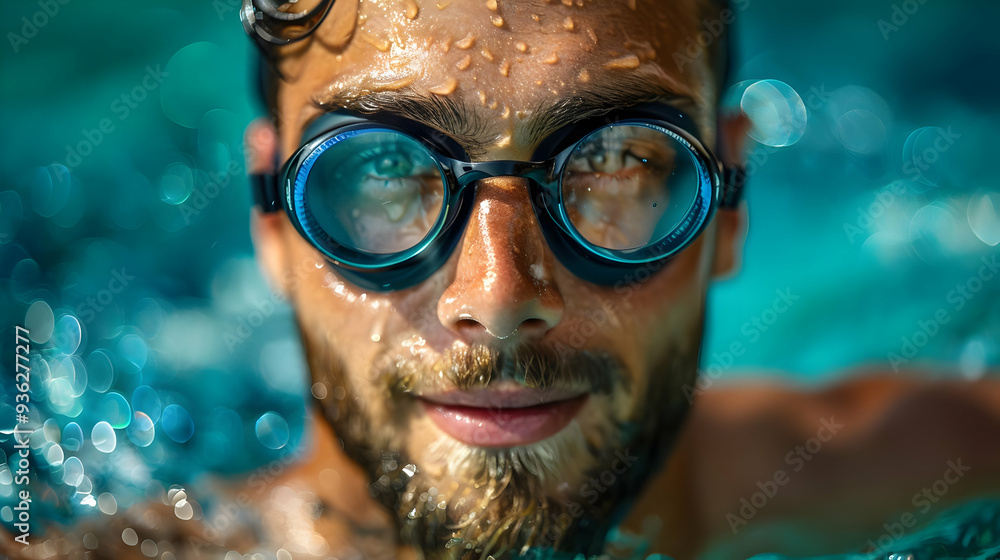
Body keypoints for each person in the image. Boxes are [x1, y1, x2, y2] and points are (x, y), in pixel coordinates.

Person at [237, 0, 1000, 558]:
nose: (501, 297)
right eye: (385, 166)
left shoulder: (940, 464)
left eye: (614, 160)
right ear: (272, 212)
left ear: (729, 200)